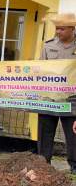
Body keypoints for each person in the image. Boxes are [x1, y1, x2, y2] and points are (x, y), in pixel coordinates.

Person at [39, 13, 76, 174]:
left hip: (72, 99)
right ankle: (43, 164)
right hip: (50, 97)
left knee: (73, 135)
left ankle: (74, 165)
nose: (58, 32)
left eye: (62, 29)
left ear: (72, 29)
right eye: (57, 28)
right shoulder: (48, 46)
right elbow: (39, 71)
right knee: (45, 132)